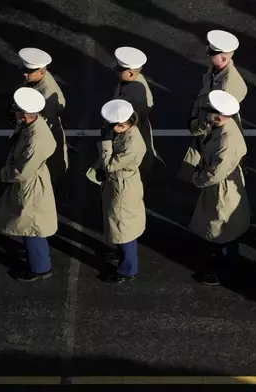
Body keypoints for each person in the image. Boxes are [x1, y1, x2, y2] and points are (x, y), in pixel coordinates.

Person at [0, 87, 57, 282]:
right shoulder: (33, 126)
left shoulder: (36, 139)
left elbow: (23, 170)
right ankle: (39, 260)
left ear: (26, 114)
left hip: (30, 184)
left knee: (31, 225)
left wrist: (5, 174)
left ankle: (40, 269)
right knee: (31, 224)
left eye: (17, 110)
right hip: (32, 181)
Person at [189, 90, 251, 286]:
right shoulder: (225, 127)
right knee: (222, 227)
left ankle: (223, 271)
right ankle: (221, 263)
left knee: (223, 228)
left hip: (222, 188)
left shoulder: (226, 141)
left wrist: (197, 178)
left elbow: (216, 173)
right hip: (224, 185)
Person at [179, 30, 248, 181]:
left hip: (210, 130)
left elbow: (216, 118)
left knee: (212, 171)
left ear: (223, 57)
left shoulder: (228, 85)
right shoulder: (216, 70)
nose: (208, 55)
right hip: (207, 127)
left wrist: (195, 126)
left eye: (212, 53)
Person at [94, 99, 147, 284]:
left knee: (123, 227)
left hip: (123, 186)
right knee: (118, 223)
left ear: (125, 124)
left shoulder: (132, 146)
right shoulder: (128, 132)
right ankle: (122, 255)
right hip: (119, 183)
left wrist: (106, 142)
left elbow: (110, 165)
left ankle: (128, 270)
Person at [15, 47, 67, 186]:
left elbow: (41, 125)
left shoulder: (47, 96)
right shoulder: (37, 78)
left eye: (29, 73)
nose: (25, 75)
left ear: (42, 72)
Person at [113, 46, 163, 185]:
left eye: (120, 69)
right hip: (135, 129)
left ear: (130, 74)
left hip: (132, 133)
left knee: (136, 168)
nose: (116, 70)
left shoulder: (135, 98)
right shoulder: (133, 81)